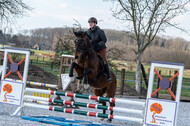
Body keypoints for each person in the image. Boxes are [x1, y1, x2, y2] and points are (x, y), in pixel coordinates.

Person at [86, 17, 112, 82]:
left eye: (91, 23)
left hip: (101, 48)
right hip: (93, 49)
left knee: (104, 60)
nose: (90, 24)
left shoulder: (100, 31)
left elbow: (104, 40)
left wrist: (100, 44)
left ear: (95, 23)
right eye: (89, 23)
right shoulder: (88, 32)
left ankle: (109, 76)